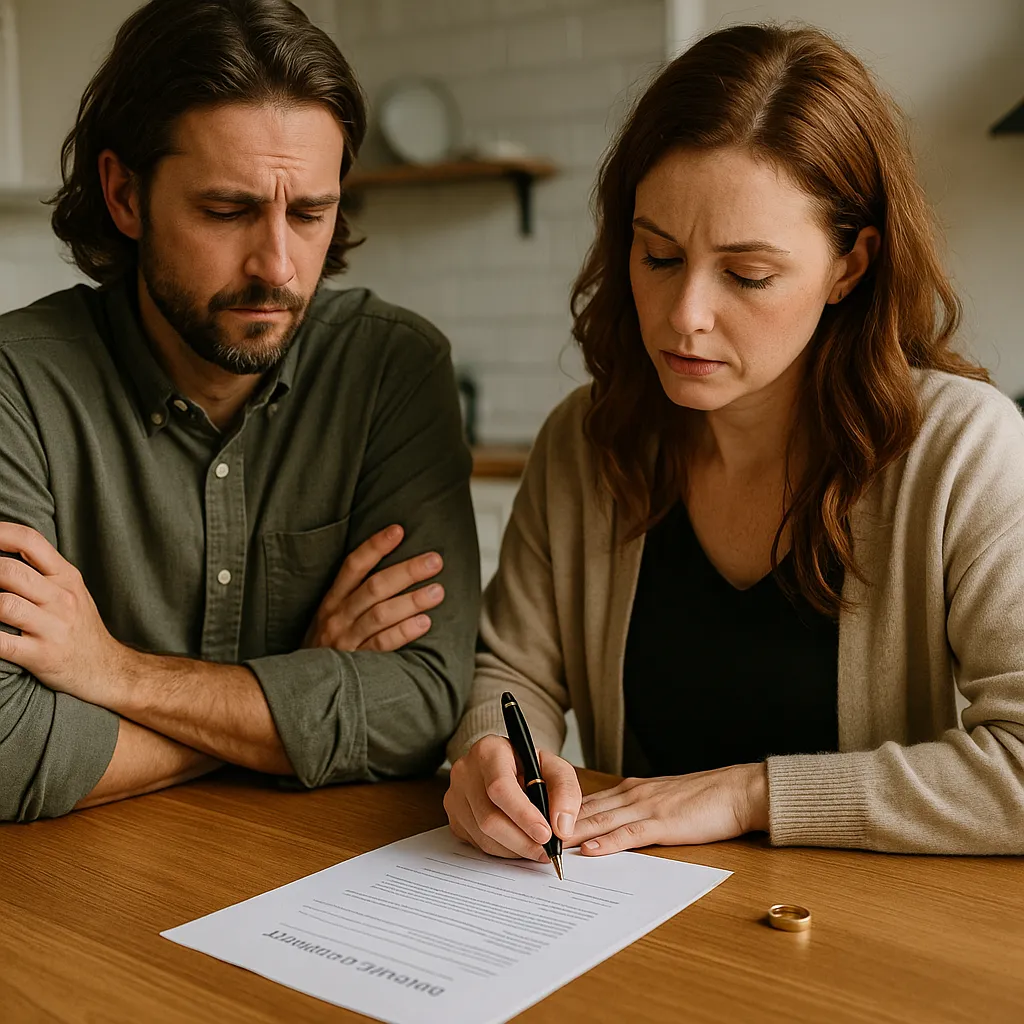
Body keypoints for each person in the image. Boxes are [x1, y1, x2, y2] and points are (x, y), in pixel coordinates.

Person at [443, 23, 1024, 858]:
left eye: (747, 275)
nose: (685, 316)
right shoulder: (587, 440)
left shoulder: (961, 450)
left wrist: (753, 794)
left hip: (860, 943)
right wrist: (492, 757)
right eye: (658, 256)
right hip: (617, 930)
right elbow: (510, 675)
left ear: (849, 268)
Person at [0, 0, 480, 823]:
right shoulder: (19, 384)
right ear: (123, 194)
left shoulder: (392, 369)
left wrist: (113, 673)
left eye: (310, 214)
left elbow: (425, 699)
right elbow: (7, 749)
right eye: (226, 211)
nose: (278, 267)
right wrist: (299, 687)